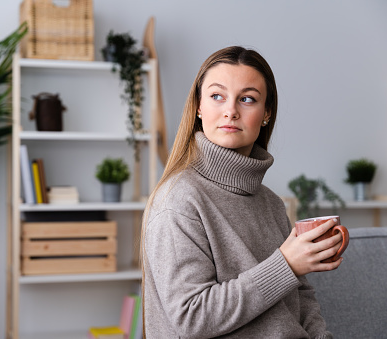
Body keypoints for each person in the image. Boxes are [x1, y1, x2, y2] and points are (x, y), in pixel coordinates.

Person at [141, 46, 343, 338]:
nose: (231, 111)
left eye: (247, 99)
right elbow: (192, 318)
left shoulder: (272, 203)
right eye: (216, 96)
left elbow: (303, 299)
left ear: (266, 114)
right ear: (199, 107)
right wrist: (285, 265)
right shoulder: (178, 200)